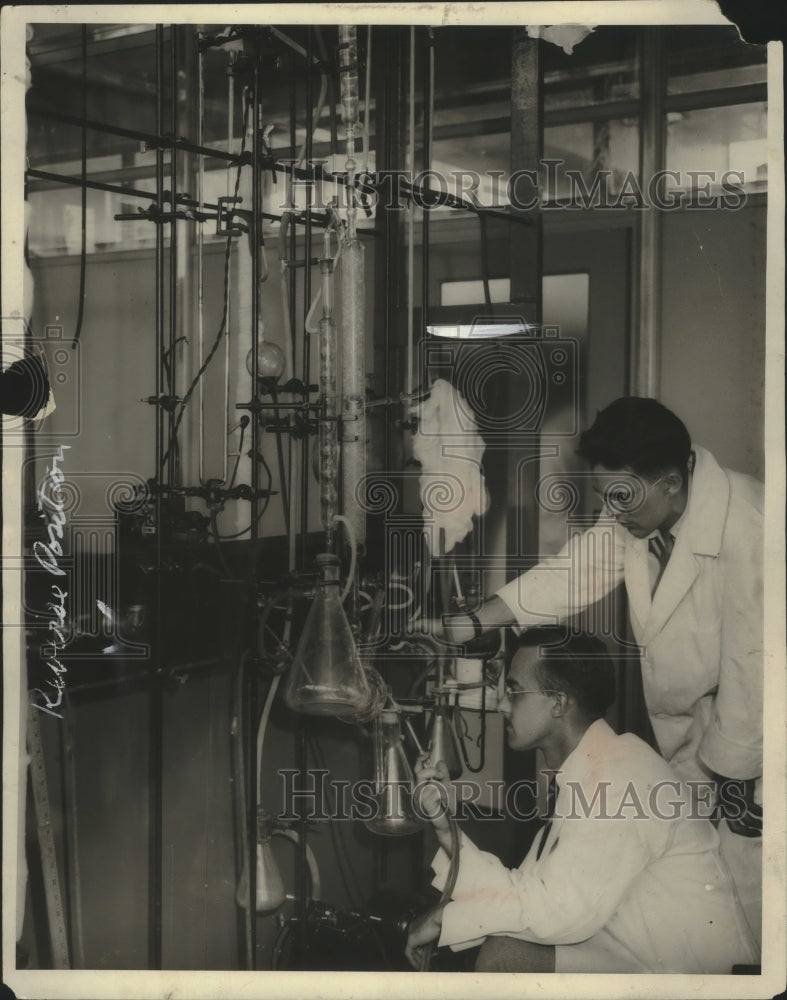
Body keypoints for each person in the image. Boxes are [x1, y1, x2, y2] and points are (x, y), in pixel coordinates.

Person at [425, 397, 763, 946]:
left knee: (753, 924)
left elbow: (758, 671)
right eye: (605, 495)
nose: (612, 509)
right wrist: (468, 623)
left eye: (620, 496)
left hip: (759, 763)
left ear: (671, 482)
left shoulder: (754, 527)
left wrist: (735, 778)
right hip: (697, 750)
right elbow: (572, 574)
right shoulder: (638, 512)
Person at [404, 629, 758, 974]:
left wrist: (442, 918)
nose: (500, 704)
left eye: (514, 692)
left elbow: (551, 913)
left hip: (700, 979)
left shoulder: (618, 777)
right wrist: (444, 824)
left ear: (557, 703)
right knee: (503, 951)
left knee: (504, 953)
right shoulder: (589, 768)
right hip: (639, 958)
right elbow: (525, 891)